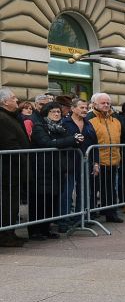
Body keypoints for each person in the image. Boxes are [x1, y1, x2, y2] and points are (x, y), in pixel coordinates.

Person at [27, 102, 79, 239]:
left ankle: (45, 229)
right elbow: (47, 143)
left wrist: (74, 140)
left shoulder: (60, 128)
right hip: (41, 169)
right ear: (46, 113)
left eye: (58, 112)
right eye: (53, 112)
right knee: (39, 201)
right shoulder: (39, 127)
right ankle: (34, 231)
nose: (56, 114)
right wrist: (71, 140)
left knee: (52, 201)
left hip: (56, 169)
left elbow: (62, 142)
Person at [60, 99, 97, 230]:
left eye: (86, 107)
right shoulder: (64, 122)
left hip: (85, 162)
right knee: (66, 192)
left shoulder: (88, 124)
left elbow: (94, 143)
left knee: (84, 191)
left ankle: (80, 218)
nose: (85, 110)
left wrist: (96, 162)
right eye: (81, 107)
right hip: (68, 162)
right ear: (73, 108)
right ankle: (63, 221)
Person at [0, 88, 30, 247]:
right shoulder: (2, 118)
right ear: (5, 102)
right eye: (13, 98)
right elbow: (9, 143)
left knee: (13, 204)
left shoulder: (11, 116)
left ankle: (10, 232)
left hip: (14, 169)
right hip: (8, 169)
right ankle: (5, 235)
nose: (16, 99)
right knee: (7, 204)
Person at [88, 93, 124, 223]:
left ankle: (111, 213)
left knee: (110, 189)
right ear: (94, 104)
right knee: (92, 189)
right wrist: (93, 161)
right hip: (96, 161)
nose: (106, 105)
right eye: (103, 103)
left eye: (108, 103)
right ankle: (90, 215)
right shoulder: (89, 119)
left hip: (113, 159)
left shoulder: (115, 120)